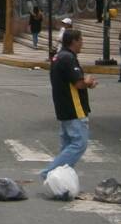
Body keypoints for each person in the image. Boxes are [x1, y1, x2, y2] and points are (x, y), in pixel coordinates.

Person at [40, 29, 97, 180]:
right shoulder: (68, 58)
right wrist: (89, 82)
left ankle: (60, 179)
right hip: (74, 108)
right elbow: (79, 83)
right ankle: (49, 174)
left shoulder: (59, 56)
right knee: (79, 143)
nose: (82, 44)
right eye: (81, 40)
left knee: (67, 145)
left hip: (63, 107)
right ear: (74, 41)